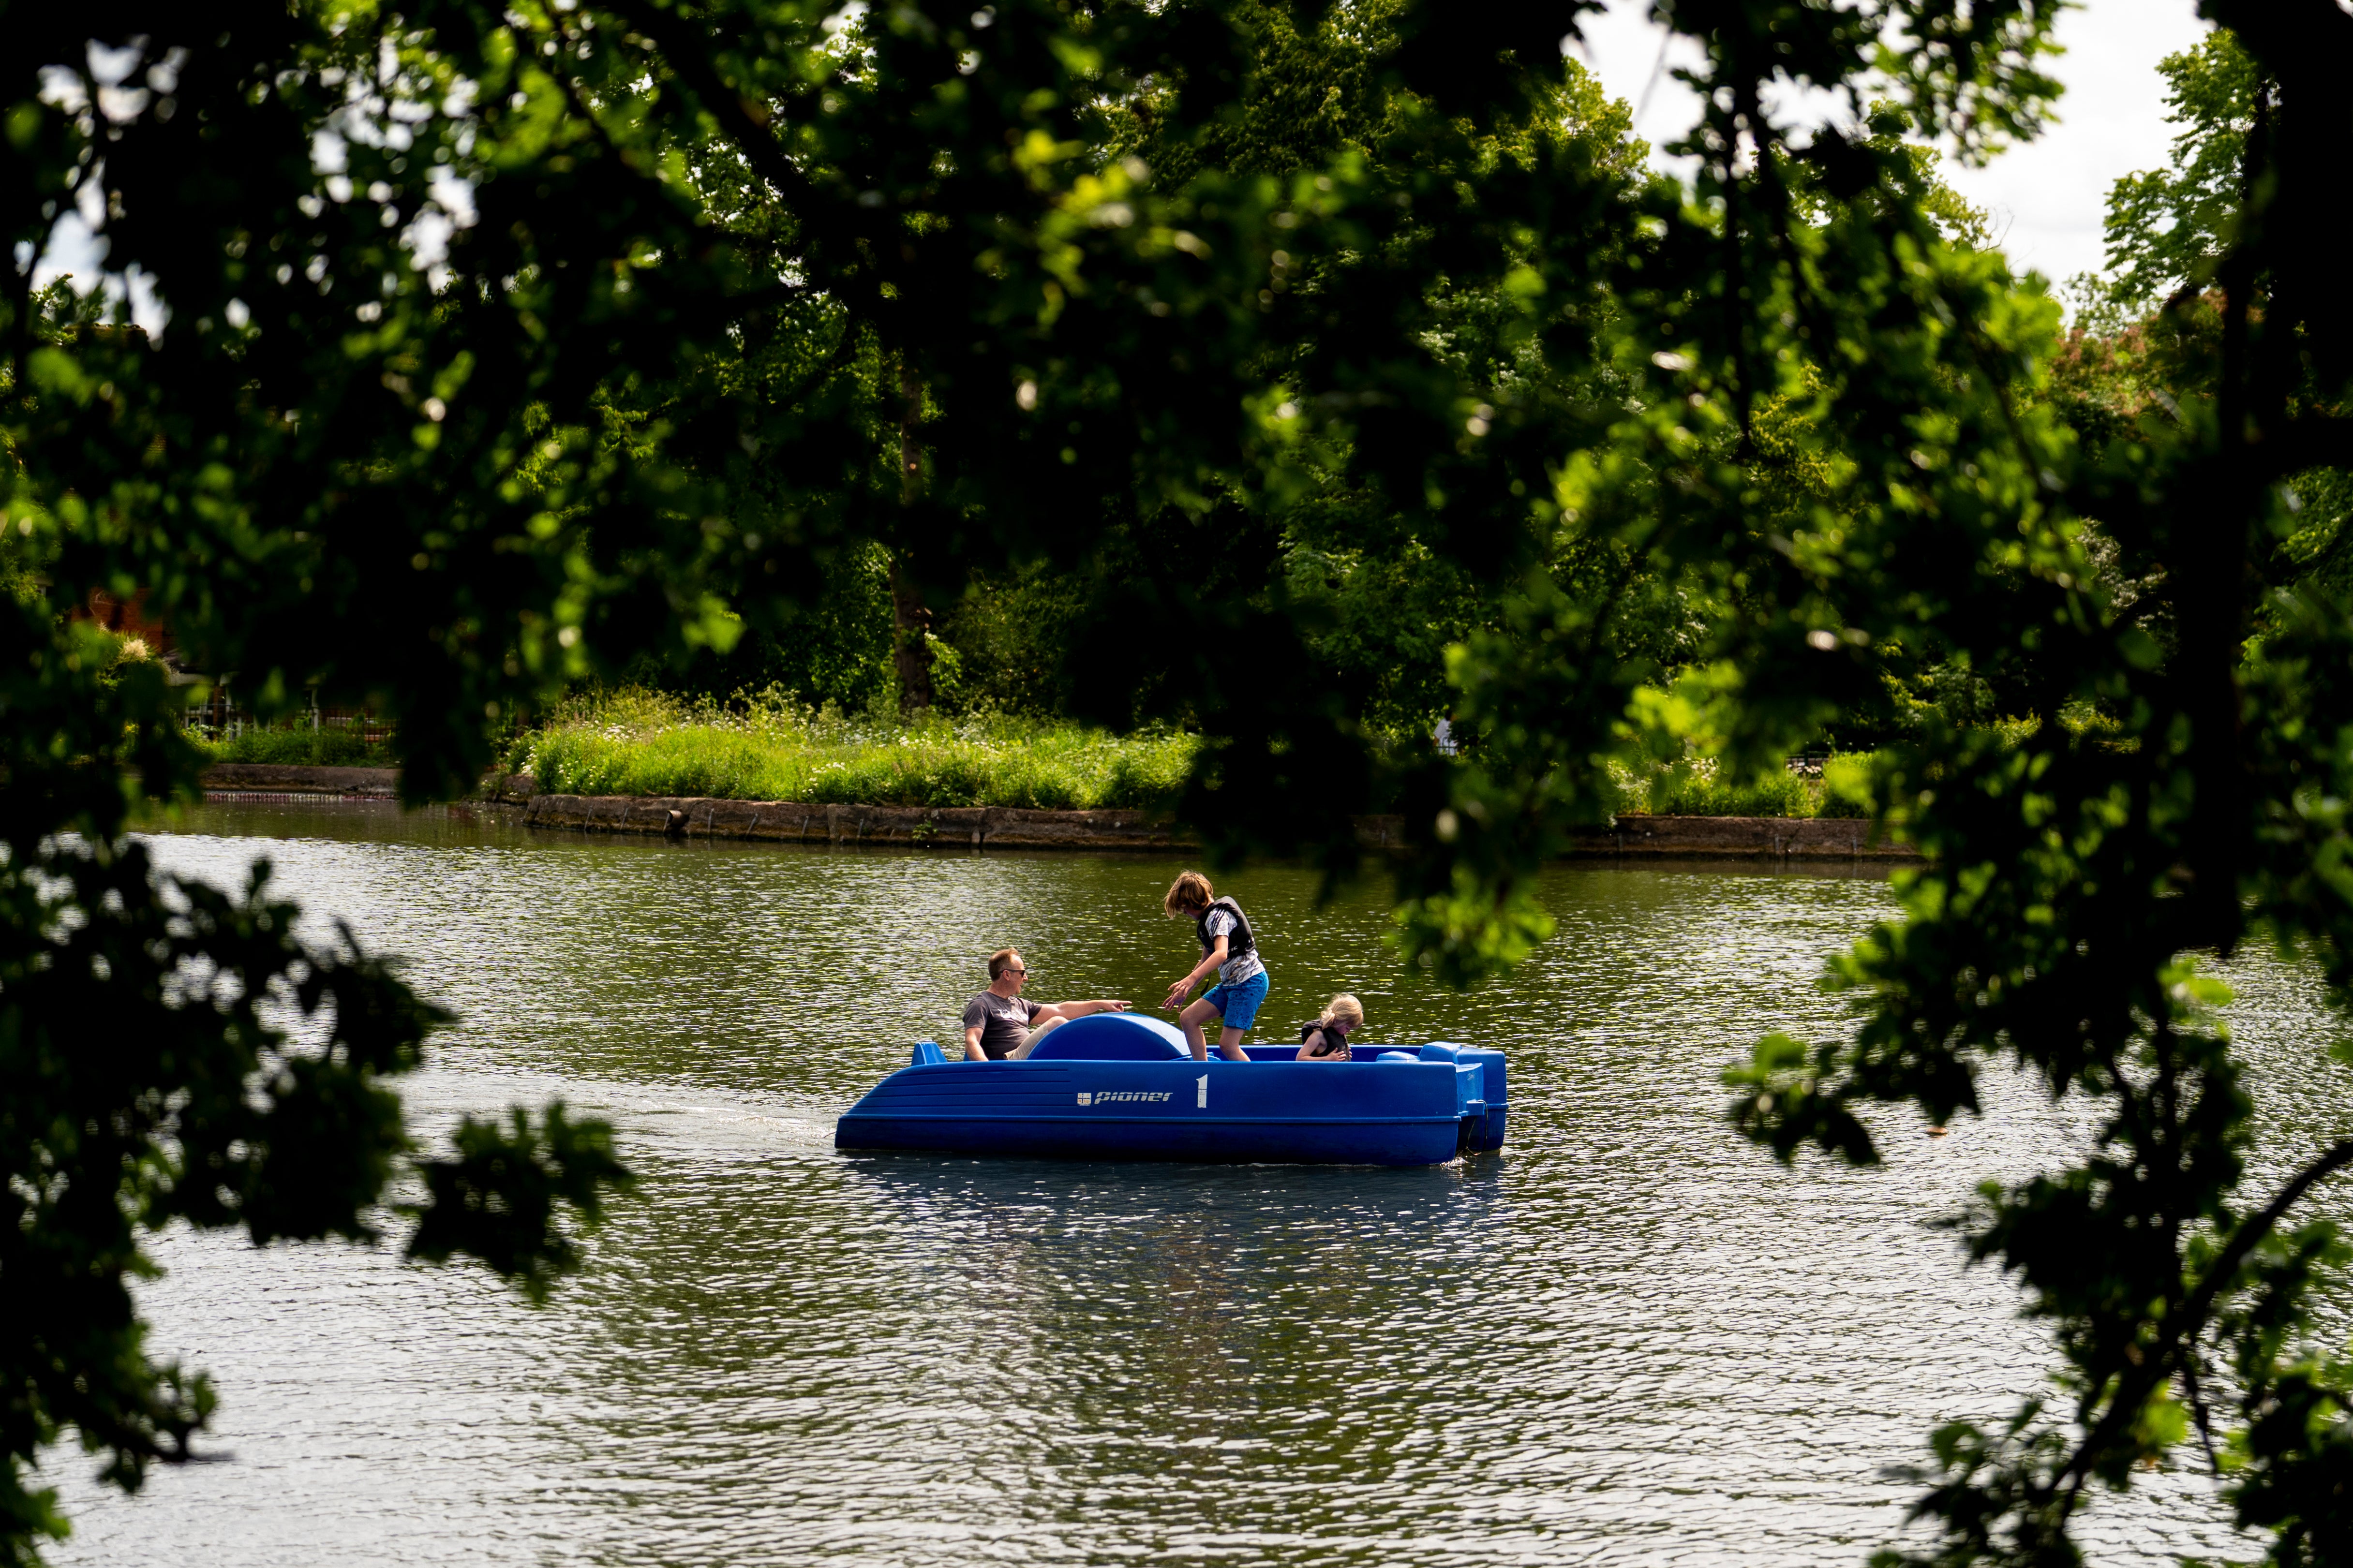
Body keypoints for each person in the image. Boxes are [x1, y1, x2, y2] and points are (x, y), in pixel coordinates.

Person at [1160, 871, 1268, 1063]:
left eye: (1185, 908)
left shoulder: (1218, 916)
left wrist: (1191, 979)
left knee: (1228, 1045)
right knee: (1188, 1019)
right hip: (1231, 984)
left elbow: (1221, 953)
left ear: (1195, 901)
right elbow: (1205, 961)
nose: (1185, 913)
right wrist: (1186, 989)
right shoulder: (1208, 921)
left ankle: (1255, 1087)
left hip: (1249, 983)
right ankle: (1203, 1071)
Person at [961, 948, 1131, 1061]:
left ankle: (1096, 1063)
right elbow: (972, 1041)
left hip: (1032, 1059)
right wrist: (987, 1072)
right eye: (1022, 973)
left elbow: (1061, 1009)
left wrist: (1101, 1004)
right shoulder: (982, 1004)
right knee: (1057, 1023)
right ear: (1007, 975)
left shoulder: (1020, 1004)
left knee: (1065, 1022)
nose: (1025, 978)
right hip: (1008, 1063)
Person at [1296, 994, 1364, 1063]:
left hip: (1337, 1072)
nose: (1349, 1031)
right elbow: (1300, 1059)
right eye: (1347, 1028)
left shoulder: (1338, 1032)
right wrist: (1327, 1059)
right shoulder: (1319, 1035)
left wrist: (1344, 1053)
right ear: (1337, 1020)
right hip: (1322, 1073)